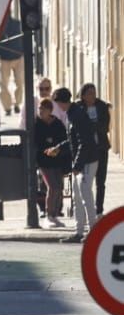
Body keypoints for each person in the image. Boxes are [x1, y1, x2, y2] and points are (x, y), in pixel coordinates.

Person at [63, 87, 102, 244]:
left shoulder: (76, 115)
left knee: (86, 196)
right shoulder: (73, 113)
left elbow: (83, 142)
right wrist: (59, 147)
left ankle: (93, 231)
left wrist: (78, 164)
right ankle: (79, 231)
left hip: (87, 160)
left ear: (61, 103)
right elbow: (74, 140)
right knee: (77, 198)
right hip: (82, 159)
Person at [33, 98, 70, 230]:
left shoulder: (57, 124)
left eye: (43, 109)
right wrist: (47, 148)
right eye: (39, 109)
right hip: (44, 161)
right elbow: (37, 142)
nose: (40, 111)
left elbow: (64, 140)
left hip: (57, 160)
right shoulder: (36, 124)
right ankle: (48, 216)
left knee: (59, 188)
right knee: (52, 187)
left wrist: (56, 149)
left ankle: (55, 215)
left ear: (50, 110)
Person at [80, 84, 112, 213]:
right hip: (86, 150)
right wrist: (92, 125)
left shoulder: (102, 106)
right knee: (86, 183)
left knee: (101, 181)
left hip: (101, 148)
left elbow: (104, 127)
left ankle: (99, 210)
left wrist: (91, 126)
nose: (92, 96)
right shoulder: (79, 107)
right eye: (89, 93)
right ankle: (88, 210)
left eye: (94, 93)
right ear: (83, 95)